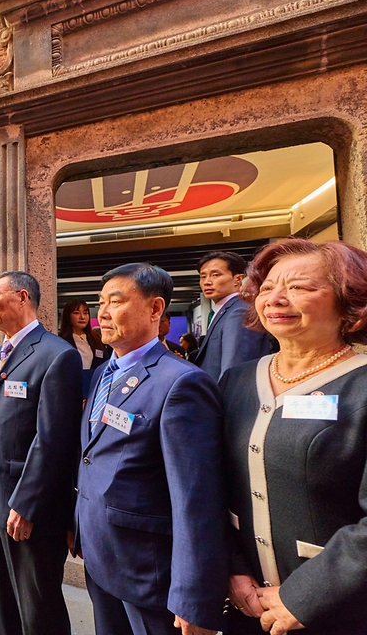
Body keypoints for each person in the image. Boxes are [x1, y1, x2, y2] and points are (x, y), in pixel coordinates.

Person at [222, 239, 367, 635]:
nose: (276, 298)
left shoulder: (361, 383)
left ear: (348, 299)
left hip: (340, 611)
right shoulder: (236, 381)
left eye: (300, 287)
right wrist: (232, 570)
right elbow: (215, 485)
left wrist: (302, 597)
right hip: (246, 603)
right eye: (267, 288)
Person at [75, 263, 227, 635]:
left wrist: (194, 595)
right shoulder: (102, 374)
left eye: (116, 301)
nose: (103, 313)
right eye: (100, 303)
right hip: (100, 554)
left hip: (147, 570)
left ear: (155, 310)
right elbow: (94, 455)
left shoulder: (182, 383)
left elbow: (197, 497)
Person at [0, 272, 82, 635]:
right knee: (3, 596)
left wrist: (27, 504)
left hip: (29, 508)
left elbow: (53, 440)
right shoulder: (2, 352)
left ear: (21, 297)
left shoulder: (56, 355)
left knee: (38, 606)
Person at [192, 251, 269, 380]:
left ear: (238, 279)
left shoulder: (238, 312)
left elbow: (234, 371)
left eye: (215, 275)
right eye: (203, 276)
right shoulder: (223, 311)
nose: (207, 282)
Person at [59, 299, 108, 395]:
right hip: (70, 390)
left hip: (94, 388)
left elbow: (105, 363)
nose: (82, 317)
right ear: (68, 316)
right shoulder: (61, 341)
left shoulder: (96, 340)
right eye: (77, 313)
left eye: (85, 313)